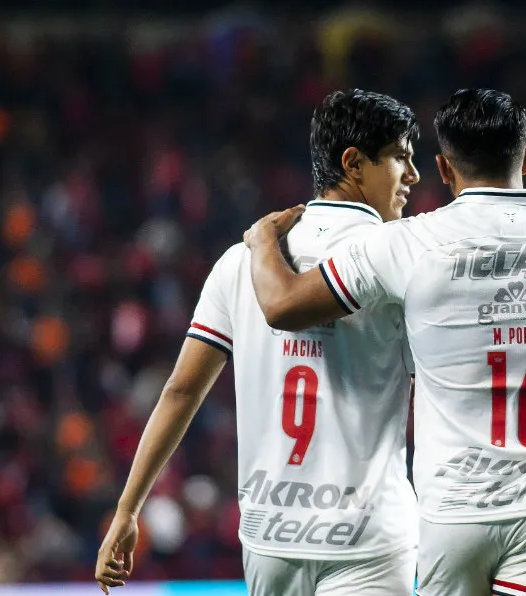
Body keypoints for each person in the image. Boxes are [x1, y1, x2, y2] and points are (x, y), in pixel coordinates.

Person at [243, 88, 526, 596]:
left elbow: (283, 307)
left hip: (455, 510)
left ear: (444, 169)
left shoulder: (407, 242)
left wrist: (259, 242)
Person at [95, 89, 422, 596]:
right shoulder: (403, 260)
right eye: (401, 157)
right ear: (354, 163)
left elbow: (181, 391)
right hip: (369, 543)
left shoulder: (240, 260)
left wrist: (127, 508)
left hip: (271, 540)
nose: (414, 176)